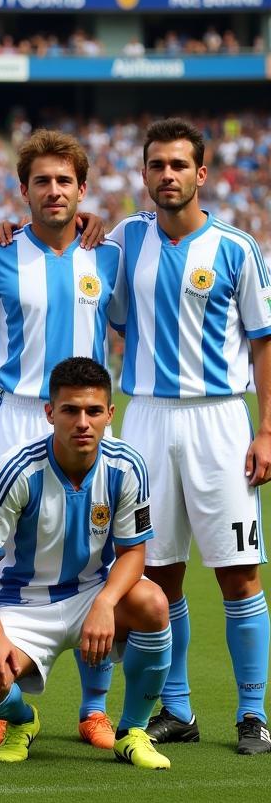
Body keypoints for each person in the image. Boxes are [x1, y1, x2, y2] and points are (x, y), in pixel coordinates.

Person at [109, 119, 271, 755]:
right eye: (157, 165)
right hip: (146, 417)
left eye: (179, 165)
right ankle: (176, 707)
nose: (167, 175)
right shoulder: (124, 241)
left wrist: (266, 429)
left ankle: (253, 712)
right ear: (144, 174)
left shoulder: (235, 247)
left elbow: (263, 343)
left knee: (240, 572)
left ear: (201, 173)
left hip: (220, 420)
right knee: (158, 574)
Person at [0, 129, 126, 751]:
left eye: (64, 181)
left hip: (87, 418)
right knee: (4, 553)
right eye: (41, 181)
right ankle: (7, 708)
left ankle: (93, 708)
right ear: (23, 190)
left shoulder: (104, 255)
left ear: (82, 190)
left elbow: (123, 321)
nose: (53, 191)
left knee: (97, 552)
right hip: (21, 413)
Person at [0, 357, 173, 769]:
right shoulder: (17, 469)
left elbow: (134, 553)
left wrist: (105, 603)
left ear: (110, 415)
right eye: (71, 410)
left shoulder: (127, 466)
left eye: (94, 411)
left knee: (153, 603)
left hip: (90, 593)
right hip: (22, 605)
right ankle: (23, 721)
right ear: (50, 413)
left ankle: (132, 733)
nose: (83, 422)